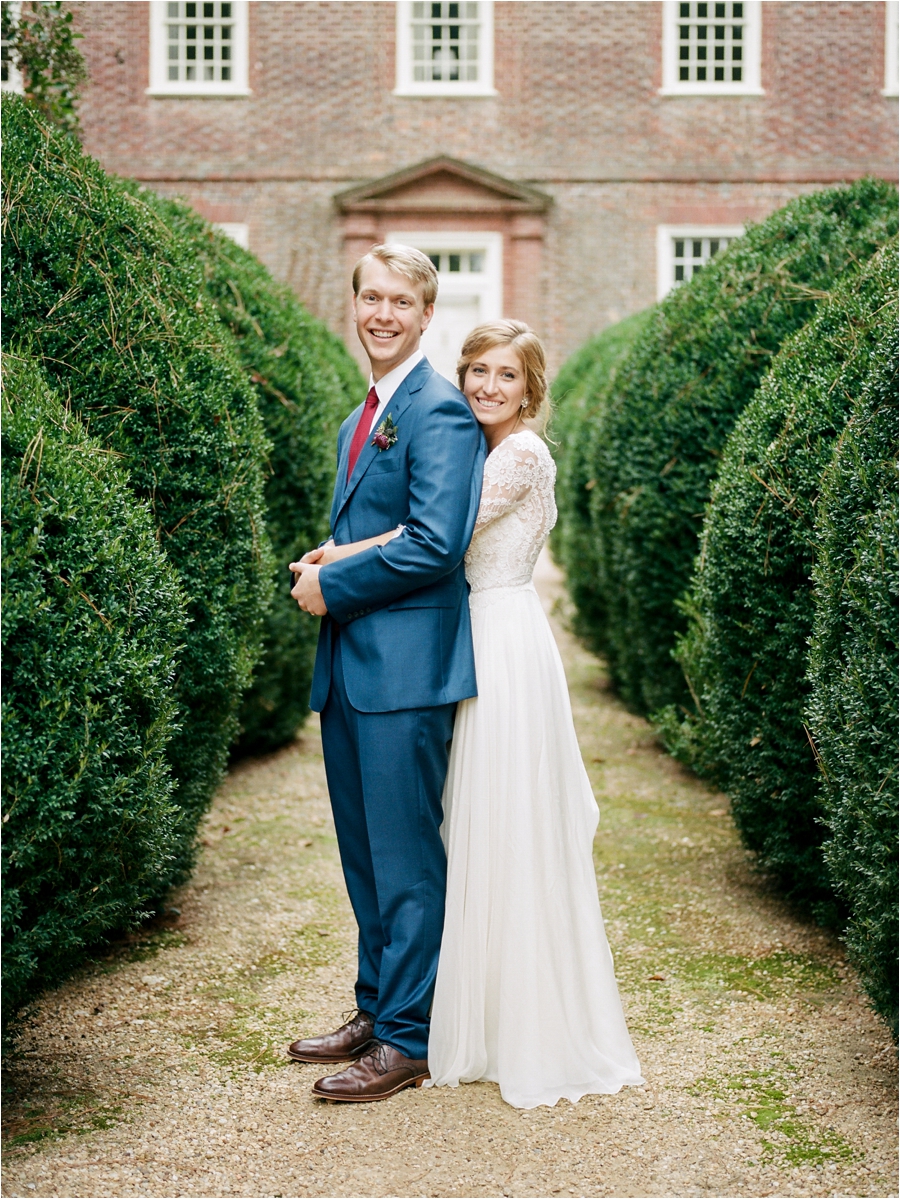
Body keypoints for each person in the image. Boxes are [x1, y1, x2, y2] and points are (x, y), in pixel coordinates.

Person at [305, 318, 645, 1110]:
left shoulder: (521, 454)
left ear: (531, 389)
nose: (490, 387)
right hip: (467, 632)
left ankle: (473, 1020)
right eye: (478, 372)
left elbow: (440, 533)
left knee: (492, 823)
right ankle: (423, 1003)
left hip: (497, 640)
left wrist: (340, 556)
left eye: (507, 376)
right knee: (455, 824)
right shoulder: (481, 447)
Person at [285, 244, 486, 1103]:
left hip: (406, 674)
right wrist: (333, 555)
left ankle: (410, 1037)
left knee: (406, 861)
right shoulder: (358, 417)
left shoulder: (438, 411)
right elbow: (388, 524)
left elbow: (437, 544)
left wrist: (333, 585)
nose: (382, 313)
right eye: (370, 296)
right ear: (355, 303)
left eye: (401, 301)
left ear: (426, 315)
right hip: (352, 672)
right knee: (365, 857)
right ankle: (377, 1006)